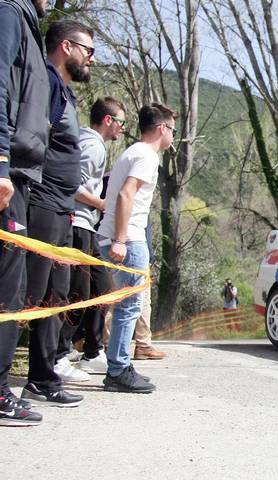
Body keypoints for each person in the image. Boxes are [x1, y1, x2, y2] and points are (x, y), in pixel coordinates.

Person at [20, 20, 95, 408]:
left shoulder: (65, 91)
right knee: (30, 295)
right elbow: (34, 140)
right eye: (88, 50)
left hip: (65, 209)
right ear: (66, 46)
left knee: (57, 296)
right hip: (43, 203)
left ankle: (42, 377)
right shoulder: (46, 82)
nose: (92, 59)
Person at [97, 102, 176, 393]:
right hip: (128, 239)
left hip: (122, 237)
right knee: (129, 306)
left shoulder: (135, 152)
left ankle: (120, 366)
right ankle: (118, 370)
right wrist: (120, 239)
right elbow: (125, 195)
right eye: (172, 129)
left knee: (126, 306)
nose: (173, 136)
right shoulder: (146, 155)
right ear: (162, 128)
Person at [0, 0, 49, 426]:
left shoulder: (26, 25)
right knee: (7, 290)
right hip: (8, 171)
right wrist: (1, 162)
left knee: (11, 288)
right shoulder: (9, 14)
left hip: (19, 173)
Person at [57, 97, 125, 375]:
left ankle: (93, 351)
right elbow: (72, 184)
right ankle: (59, 354)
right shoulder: (92, 146)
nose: (122, 128)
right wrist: (101, 203)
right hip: (77, 224)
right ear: (108, 120)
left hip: (88, 226)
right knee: (78, 292)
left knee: (103, 288)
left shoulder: (95, 145)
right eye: (121, 122)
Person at [132, 222, 166, 360]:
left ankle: (143, 346)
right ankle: (142, 345)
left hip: (138, 249)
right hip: (129, 247)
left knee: (144, 300)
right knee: (117, 298)